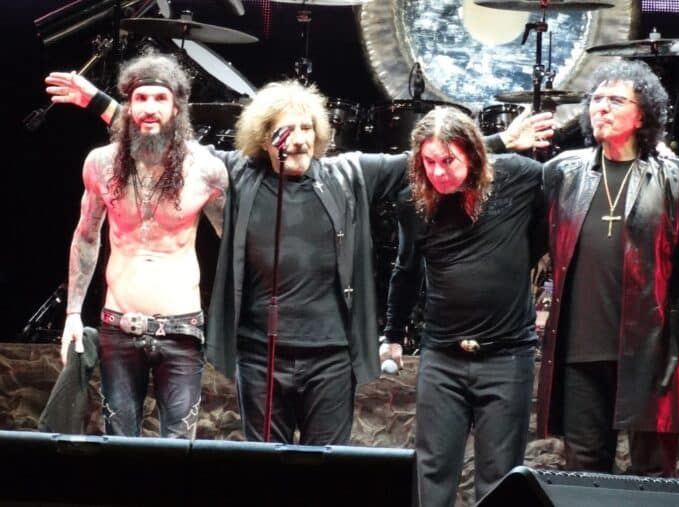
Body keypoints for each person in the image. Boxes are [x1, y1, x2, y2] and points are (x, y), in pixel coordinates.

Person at [46, 71, 553, 446]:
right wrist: (99, 102)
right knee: (265, 474)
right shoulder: (237, 173)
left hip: (331, 358)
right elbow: (166, 140)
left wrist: (497, 142)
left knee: (325, 472)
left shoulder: (349, 174)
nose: (302, 138)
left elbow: (421, 162)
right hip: (259, 356)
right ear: (265, 136)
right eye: (289, 129)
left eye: (309, 128)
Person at [536, 59, 679, 476]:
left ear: (643, 116)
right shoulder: (564, 172)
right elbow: (529, 244)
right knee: (583, 476)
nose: (601, 107)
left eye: (616, 100)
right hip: (580, 349)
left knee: (653, 476)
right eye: (596, 98)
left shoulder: (678, 176)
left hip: (650, 351)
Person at [381, 107, 547, 506]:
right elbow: (406, 270)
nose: (439, 172)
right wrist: (392, 333)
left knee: (500, 478)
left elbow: (544, 235)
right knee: (432, 472)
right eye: (429, 162)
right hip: (443, 357)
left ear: (472, 154)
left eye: (449, 160)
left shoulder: (519, 177)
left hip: (506, 356)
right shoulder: (413, 202)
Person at [57, 52, 228, 438]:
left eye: (160, 98)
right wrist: (72, 314)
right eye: (141, 98)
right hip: (118, 326)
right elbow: (86, 236)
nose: (150, 108)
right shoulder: (100, 164)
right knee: (119, 444)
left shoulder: (205, 170)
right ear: (129, 105)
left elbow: (234, 245)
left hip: (182, 330)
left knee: (180, 449)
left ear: (177, 107)